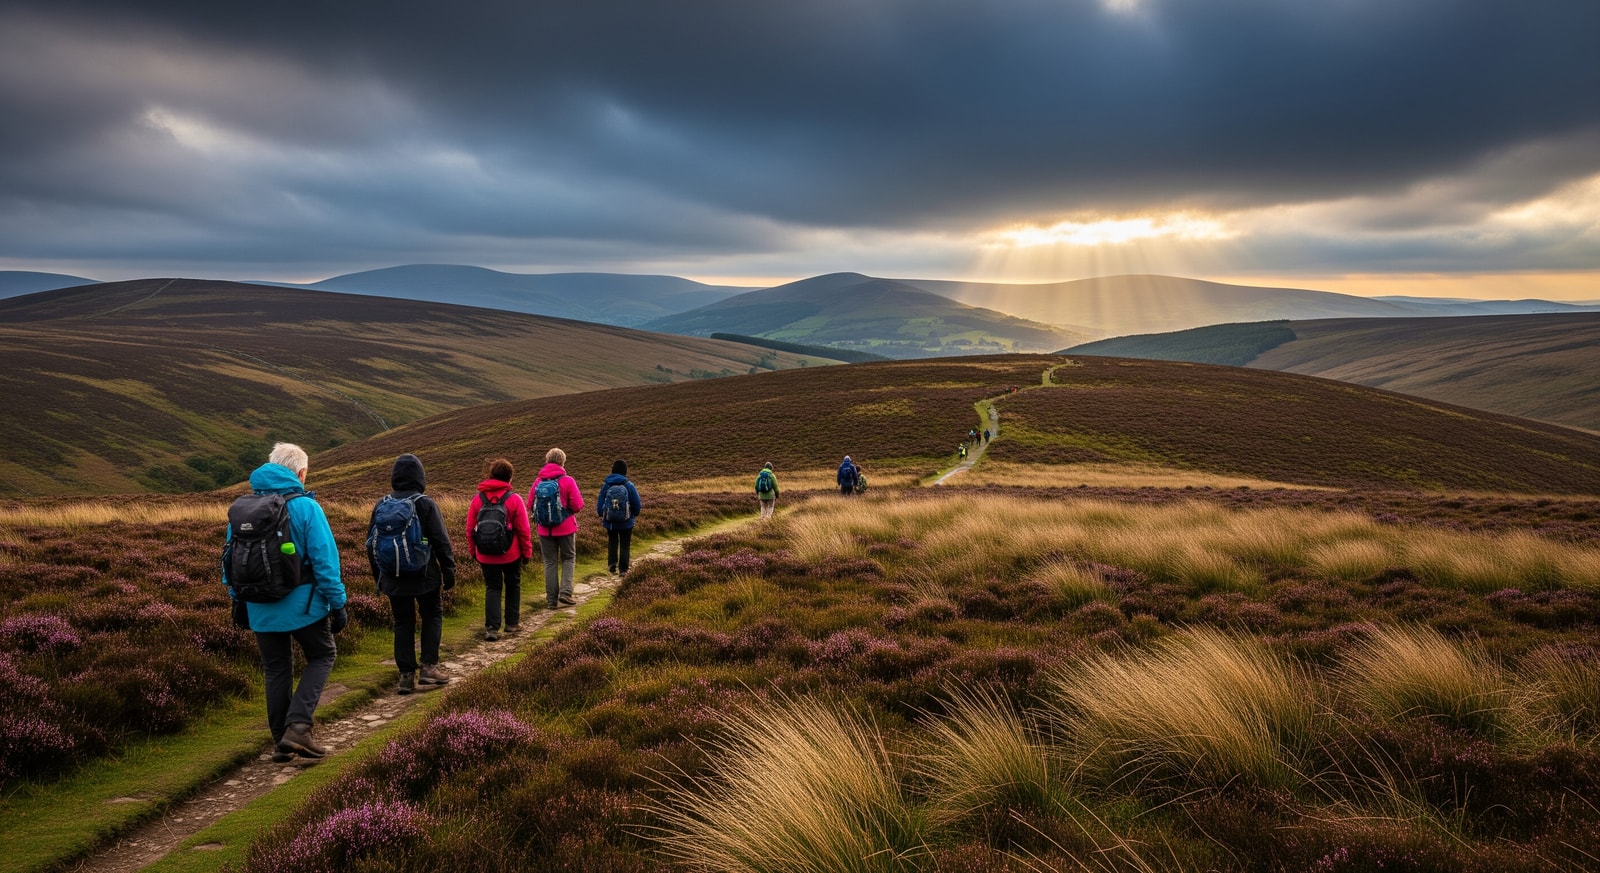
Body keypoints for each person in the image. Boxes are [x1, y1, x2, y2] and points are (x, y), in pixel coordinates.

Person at [223, 442, 347, 763]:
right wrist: (338, 604)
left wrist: (238, 601)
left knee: (276, 669)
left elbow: (230, 562)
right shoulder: (306, 507)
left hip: (258, 607)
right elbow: (325, 563)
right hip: (303, 606)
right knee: (322, 655)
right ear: (301, 473)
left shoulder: (243, 508)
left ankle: (282, 740)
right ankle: (299, 728)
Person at [368, 454, 456, 695]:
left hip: (392, 577)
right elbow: (441, 541)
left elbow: (371, 544)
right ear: (420, 477)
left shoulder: (381, 504)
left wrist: (380, 576)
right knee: (432, 615)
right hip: (424, 575)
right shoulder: (424, 503)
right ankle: (429, 668)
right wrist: (449, 571)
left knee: (402, 622)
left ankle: (406, 676)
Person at [467, 457, 533, 642]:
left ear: (491, 475)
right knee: (513, 585)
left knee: (492, 587)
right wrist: (527, 552)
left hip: (485, 554)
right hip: (511, 554)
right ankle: (512, 624)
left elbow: (470, 529)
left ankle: (491, 629)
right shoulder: (514, 499)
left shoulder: (478, 499)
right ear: (509, 478)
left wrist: (473, 551)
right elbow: (524, 530)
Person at [532, 447, 584, 608]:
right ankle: (566, 593)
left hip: (544, 530)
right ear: (562, 462)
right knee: (568, 558)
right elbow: (577, 505)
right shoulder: (568, 481)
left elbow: (529, 504)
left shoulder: (538, 481)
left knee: (549, 562)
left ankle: (551, 600)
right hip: (566, 528)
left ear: (547, 461)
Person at [597, 459, 641, 575]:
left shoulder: (606, 485)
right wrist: (635, 513)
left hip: (610, 521)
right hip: (626, 521)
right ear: (625, 471)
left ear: (613, 470)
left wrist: (601, 514)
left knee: (612, 541)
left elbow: (600, 502)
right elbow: (636, 503)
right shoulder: (629, 485)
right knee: (625, 543)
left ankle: (612, 565)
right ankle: (623, 569)